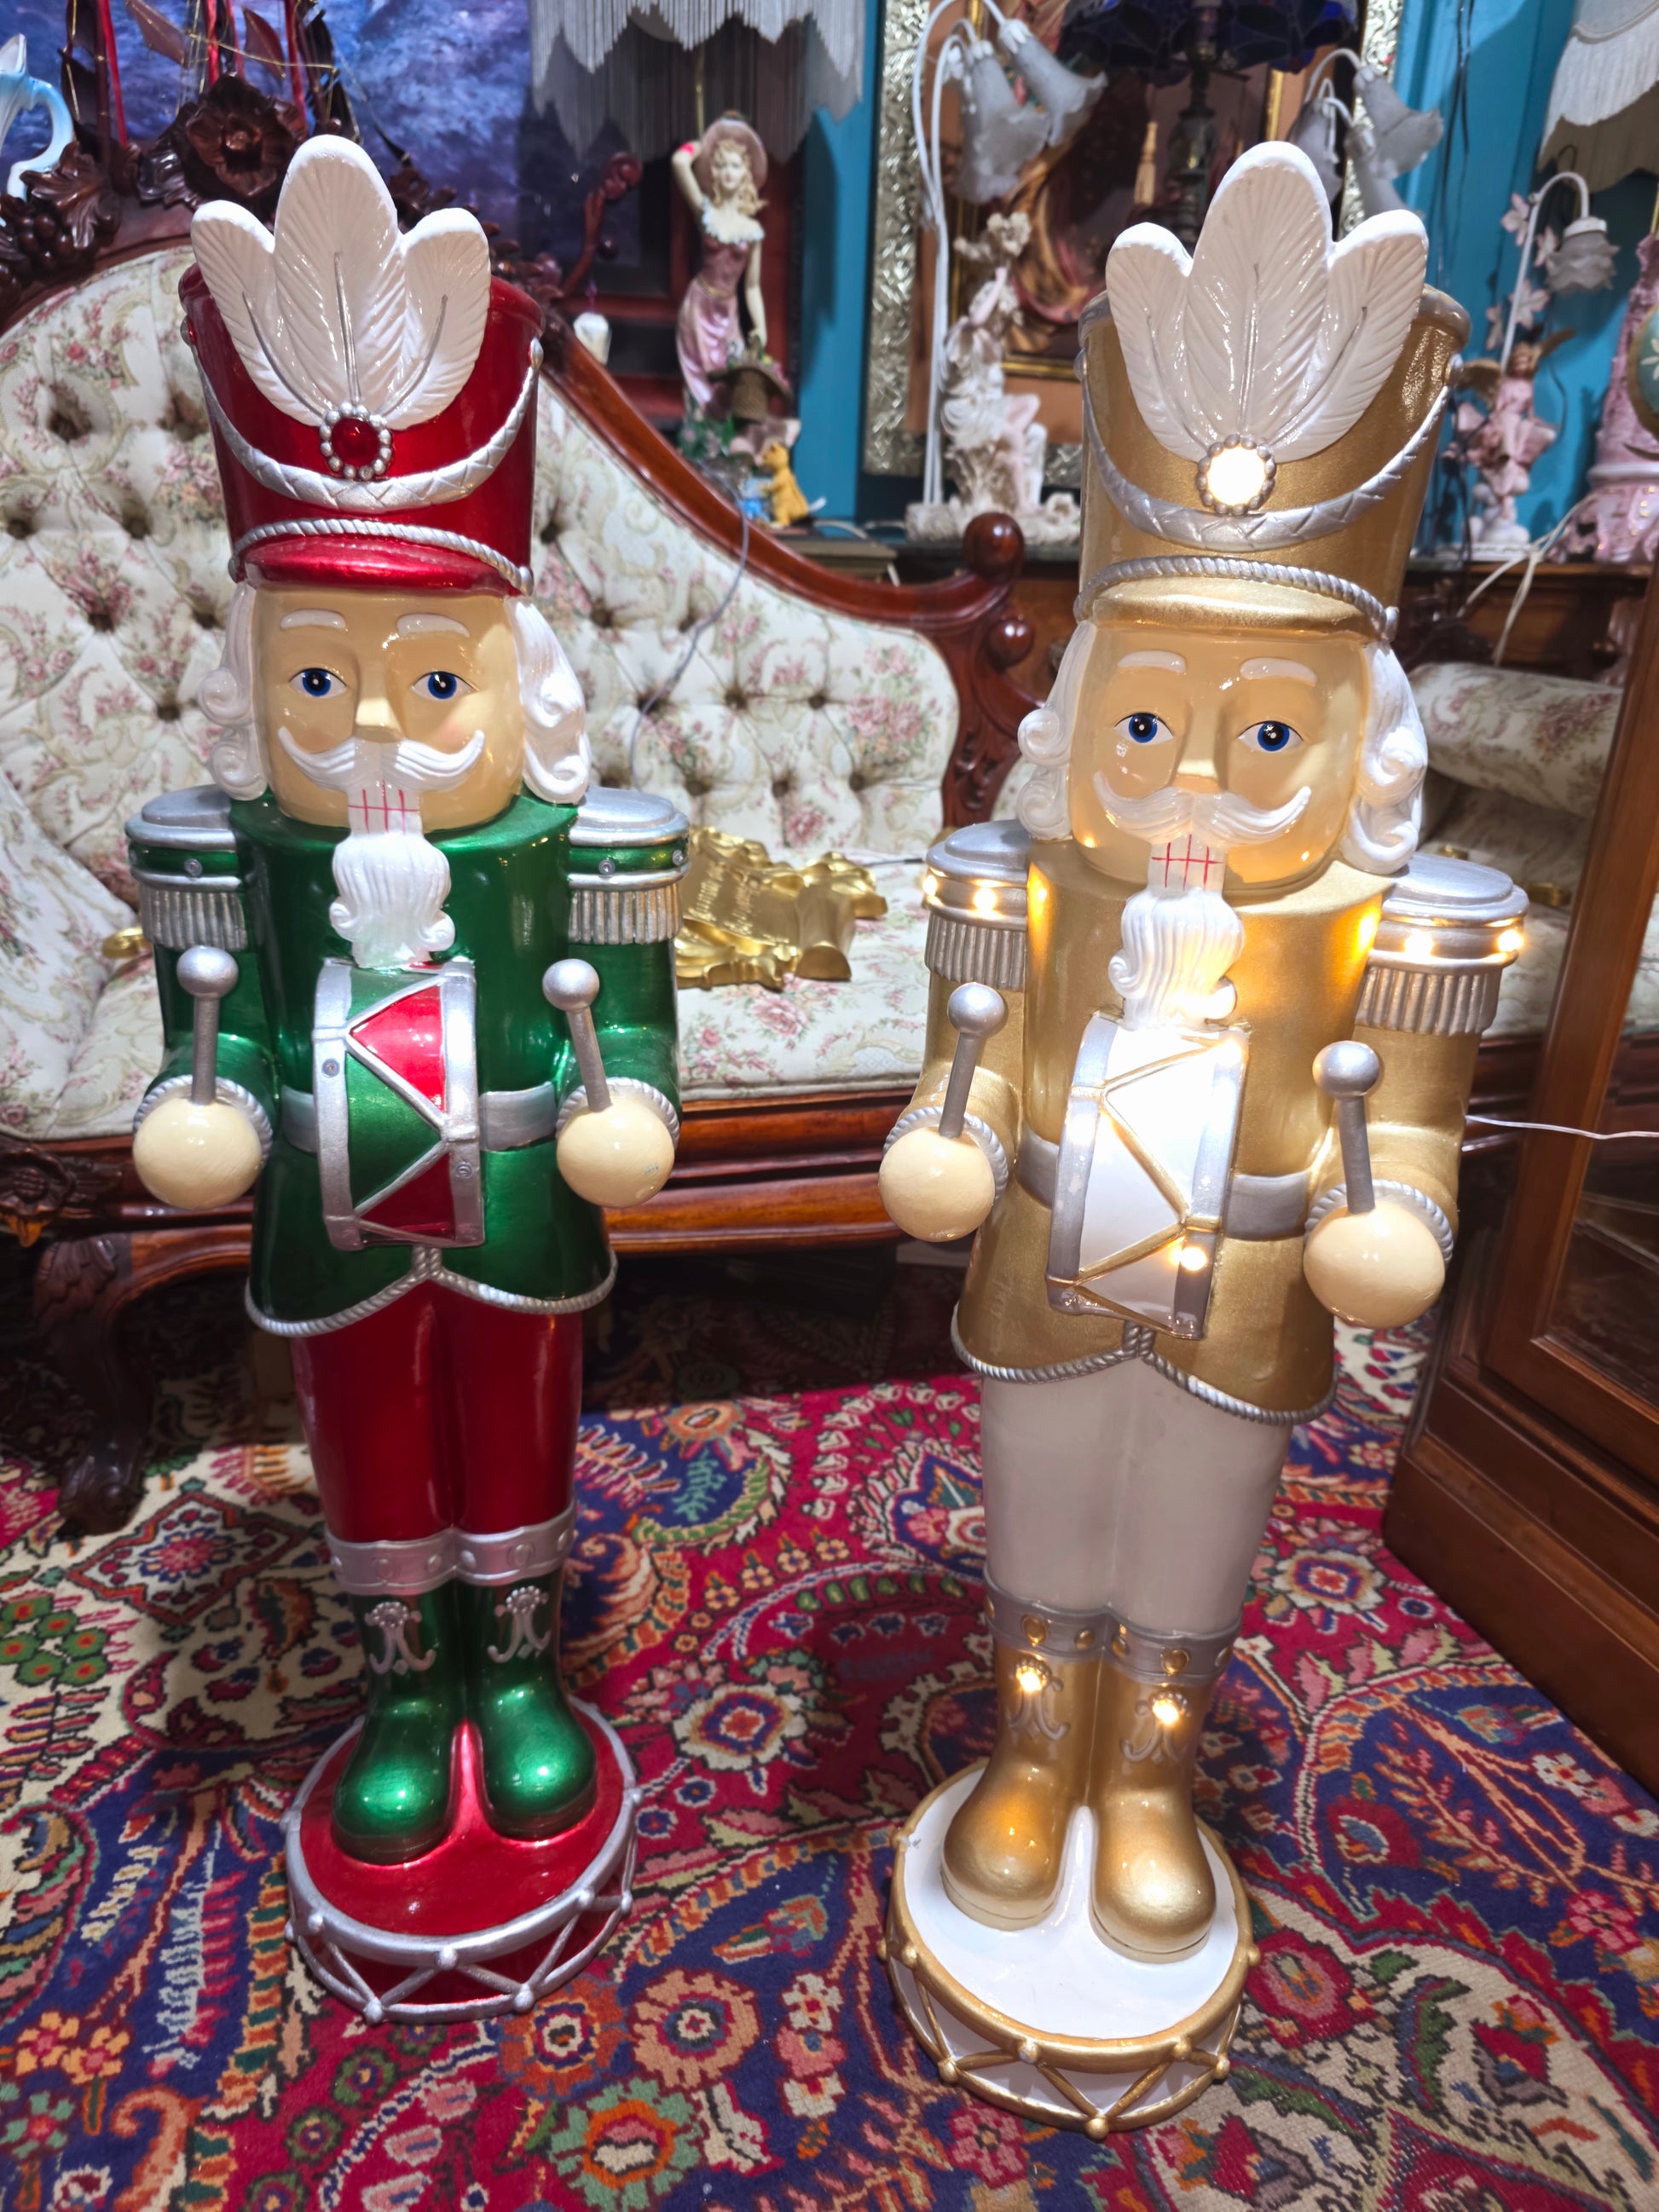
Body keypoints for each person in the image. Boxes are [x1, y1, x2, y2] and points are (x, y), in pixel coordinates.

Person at [879, 142, 1524, 1969]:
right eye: (1148, 723)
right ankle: (1031, 1751)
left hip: (1239, 1282)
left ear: (1357, 741)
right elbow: (965, 1067)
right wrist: (949, 1127)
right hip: (1047, 1257)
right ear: (1085, 710)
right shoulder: (1019, 885)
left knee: (1190, 1531)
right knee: (1040, 1508)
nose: (1189, 784)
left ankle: (1145, 1775)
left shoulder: (1396, 924)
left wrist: (1390, 1216)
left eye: (1263, 739)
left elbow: (1408, 1128)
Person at [126, 136, 687, 1867]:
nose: (371, 728)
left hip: (513, 1194)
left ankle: (513, 1674)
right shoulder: (227, 851)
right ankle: (400, 1684)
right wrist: (204, 1107)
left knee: (517, 1419)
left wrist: (628, 1102)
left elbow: (634, 1026)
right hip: (333, 1211)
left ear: (522, 680)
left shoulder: (586, 845)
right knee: (365, 1435)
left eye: (435, 682)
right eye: (316, 677)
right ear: (253, 679)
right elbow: (207, 1036)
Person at [670, 115, 768, 418]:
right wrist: (702, 145)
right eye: (722, 164)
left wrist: (761, 326)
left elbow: (752, 286)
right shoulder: (706, 213)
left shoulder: (752, 230)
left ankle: (719, 443)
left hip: (728, 314)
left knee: (727, 387)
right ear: (714, 170)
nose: (728, 172)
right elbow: (679, 163)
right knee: (697, 393)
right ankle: (695, 440)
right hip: (698, 308)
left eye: (735, 166)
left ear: (746, 174)